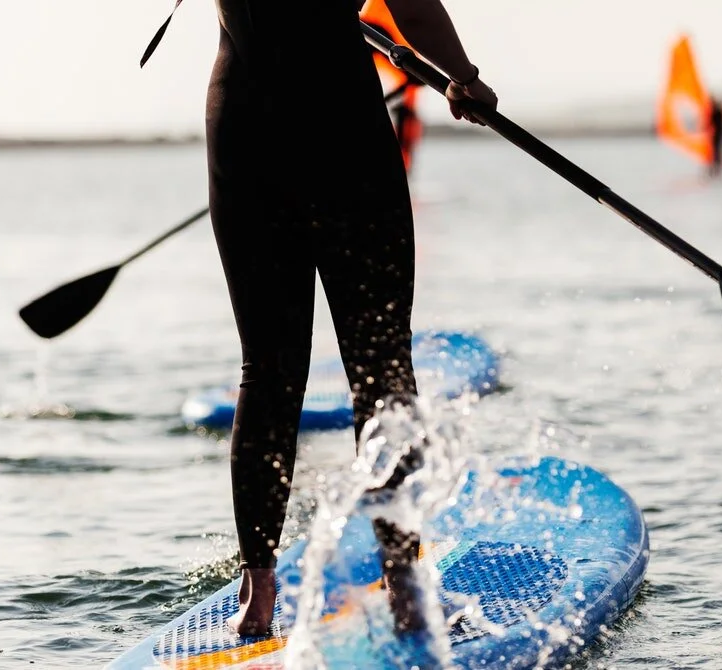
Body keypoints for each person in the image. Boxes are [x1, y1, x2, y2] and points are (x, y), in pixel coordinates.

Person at [205, 0, 498, 637]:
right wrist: (463, 77)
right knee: (381, 365)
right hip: (341, 130)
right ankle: (403, 586)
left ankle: (257, 595)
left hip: (244, 129)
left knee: (269, 369)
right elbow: (414, 12)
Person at [708, 95, 722, 177]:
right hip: (716, 135)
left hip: (718, 135)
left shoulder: (717, 112)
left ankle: (717, 169)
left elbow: (721, 125)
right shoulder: (716, 111)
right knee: (716, 153)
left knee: (717, 153)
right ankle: (716, 169)